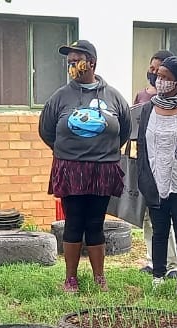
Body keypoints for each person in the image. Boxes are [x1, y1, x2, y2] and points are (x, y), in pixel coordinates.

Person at [39, 40, 131, 293]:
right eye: (69, 61)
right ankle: (70, 278)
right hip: (71, 169)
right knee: (74, 222)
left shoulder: (113, 96)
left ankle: (99, 276)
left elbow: (124, 130)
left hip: (103, 169)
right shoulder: (61, 96)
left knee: (96, 223)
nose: (72, 65)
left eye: (77, 59)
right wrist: (70, 152)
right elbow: (46, 131)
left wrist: (103, 150)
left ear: (92, 63)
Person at [135, 56, 177, 296]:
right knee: (158, 231)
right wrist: (144, 179)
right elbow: (142, 146)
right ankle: (158, 275)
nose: (159, 81)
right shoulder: (149, 108)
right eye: (158, 76)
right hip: (154, 179)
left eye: (165, 78)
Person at [134, 50, 177, 276]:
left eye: (158, 71)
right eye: (151, 69)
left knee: (168, 220)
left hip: (171, 170)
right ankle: (153, 261)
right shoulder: (142, 97)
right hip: (147, 167)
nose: (153, 74)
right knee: (149, 218)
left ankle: (172, 264)